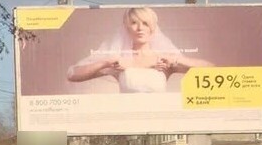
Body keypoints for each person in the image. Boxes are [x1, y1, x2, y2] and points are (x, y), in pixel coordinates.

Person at [67, 7, 210, 93]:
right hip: (129, 121)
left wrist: (176, 60)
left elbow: (211, 69)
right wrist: (106, 62)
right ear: (126, 28)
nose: (140, 28)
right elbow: (72, 75)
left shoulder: (164, 59)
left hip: (161, 119)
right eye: (134, 23)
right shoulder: (118, 62)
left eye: (145, 23)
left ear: (152, 28)